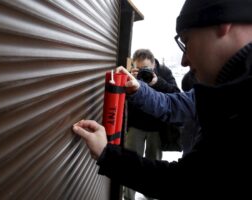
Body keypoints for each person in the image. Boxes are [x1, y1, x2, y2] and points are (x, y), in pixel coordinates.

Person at [73, 0, 252, 198]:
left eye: (186, 40)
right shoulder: (222, 96)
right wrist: (138, 89)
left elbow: (181, 182)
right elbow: (188, 179)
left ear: (223, 21)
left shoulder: (227, 100)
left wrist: (108, 156)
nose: (184, 61)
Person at [125, 49, 180, 200]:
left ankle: (150, 196)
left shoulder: (164, 72)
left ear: (154, 64)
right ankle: (128, 197)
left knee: (154, 164)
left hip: (156, 127)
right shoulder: (131, 73)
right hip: (136, 125)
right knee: (130, 163)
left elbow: (176, 93)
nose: (143, 72)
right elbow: (123, 98)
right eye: (139, 69)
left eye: (146, 69)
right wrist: (129, 80)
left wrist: (157, 81)